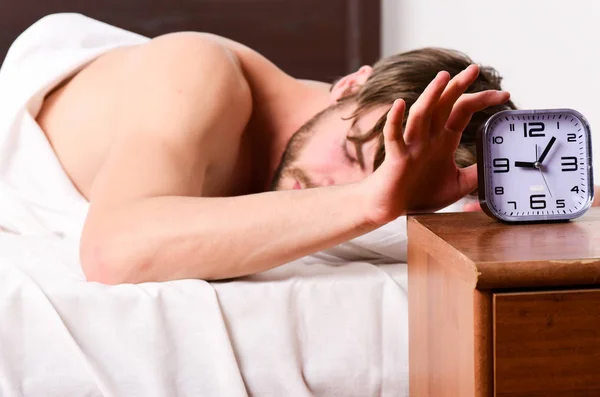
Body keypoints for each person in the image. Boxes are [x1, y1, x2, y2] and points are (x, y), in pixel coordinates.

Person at [0, 15, 527, 284]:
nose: (333, 190)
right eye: (350, 155)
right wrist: (371, 202)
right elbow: (113, 252)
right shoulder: (196, 74)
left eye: (382, 185)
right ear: (349, 84)